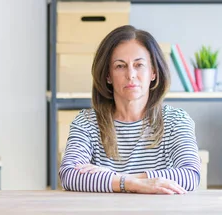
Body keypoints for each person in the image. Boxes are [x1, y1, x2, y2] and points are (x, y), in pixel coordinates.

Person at [58, 25, 201, 195]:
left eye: (139, 65)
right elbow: (69, 174)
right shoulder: (86, 122)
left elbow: (190, 175)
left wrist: (118, 179)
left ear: (153, 73)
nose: (131, 74)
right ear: (108, 75)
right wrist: (134, 183)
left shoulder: (176, 120)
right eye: (120, 66)